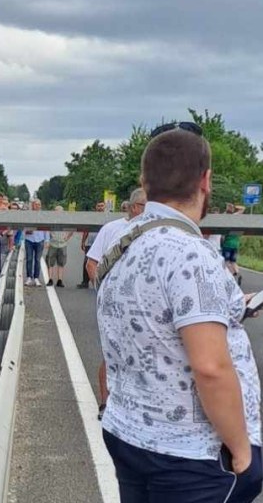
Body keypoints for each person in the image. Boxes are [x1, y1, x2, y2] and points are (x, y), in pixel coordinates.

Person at [97, 126, 262, 502]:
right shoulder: (191, 254)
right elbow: (211, 368)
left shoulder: (125, 243)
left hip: (131, 432)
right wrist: (240, 449)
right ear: (205, 180)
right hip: (190, 453)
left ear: (145, 181)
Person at [86, 187, 147, 420]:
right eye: (145, 206)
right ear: (133, 207)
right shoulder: (111, 229)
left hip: (143, 305)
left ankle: (135, 405)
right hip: (113, 305)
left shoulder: (158, 230)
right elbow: (91, 263)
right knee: (110, 352)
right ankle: (106, 404)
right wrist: (103, 292)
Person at [78, 200, 106, 288]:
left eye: (102, 206)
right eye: (99, 206)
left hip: (102, 244)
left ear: (105, 207)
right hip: (90, 243)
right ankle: (85, 282)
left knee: (102, 263)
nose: (100, 208)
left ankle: (101, 282)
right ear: (96, 207)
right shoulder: (92, 217)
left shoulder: (107, 217)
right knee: (87, 263)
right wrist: (83, 241)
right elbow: (86, 229)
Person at [23, 199, 49, 287]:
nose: (37, 206)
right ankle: (29, 277)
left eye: (39, 205)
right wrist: (26, 230)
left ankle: (36, 277)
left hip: (40, 239)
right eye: (35, 204)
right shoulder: (28, 215)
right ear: (32, 205)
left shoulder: (44, 216)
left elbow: (46, 228)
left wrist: (47, 240)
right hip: (29, 239)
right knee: (29, 259)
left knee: (37, 260)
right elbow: (22, 226)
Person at [46, 206, 73, 287]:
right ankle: (50, 279)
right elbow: (46, 229)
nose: (58, 213)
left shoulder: (66, 221)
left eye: (60, 211)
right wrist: (48, 239)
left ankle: (59, 280)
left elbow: (72, 229)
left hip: (62, 243)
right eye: (57, 211)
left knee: (61, 263)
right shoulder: (51, 220)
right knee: (50, 262)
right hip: (53, 243)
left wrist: (67, 237)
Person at [222, 203, 245, 285]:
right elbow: (243, 209)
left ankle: (230, 277)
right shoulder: (238, 224)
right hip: (235, 245)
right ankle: (238, 274)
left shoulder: (227, 222)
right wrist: (235, 207)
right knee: (233, 262)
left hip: (227, 245)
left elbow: (223, 237)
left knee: (227, 262)